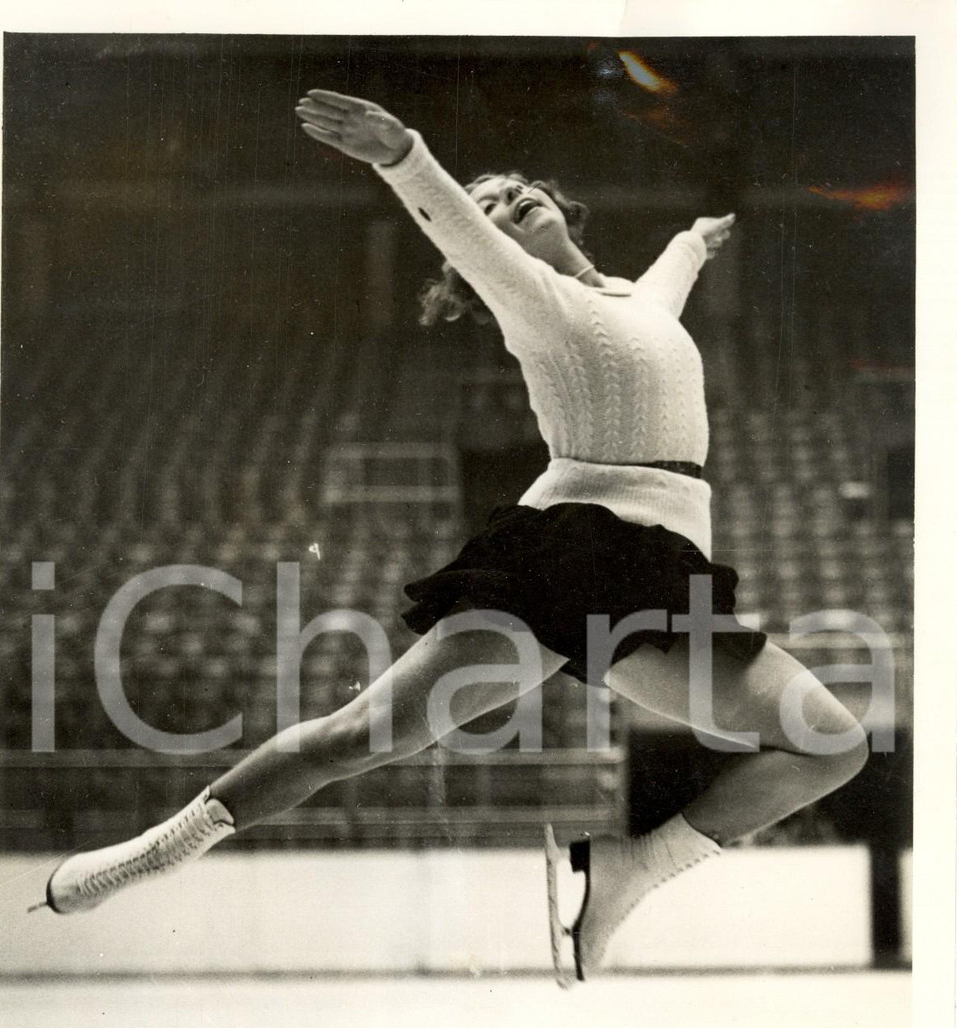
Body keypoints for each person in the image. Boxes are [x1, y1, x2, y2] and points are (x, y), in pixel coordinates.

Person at [43, 90, 870, 982]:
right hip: (570, 553)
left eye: (520, 189)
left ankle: (626, 869)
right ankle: (146, 854)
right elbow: (458, 227)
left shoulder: (636, 303)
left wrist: (695, 240)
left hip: (661, 568)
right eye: (491, 207)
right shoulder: (535, 301)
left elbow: (665, 283)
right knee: (359, 736)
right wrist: (402, 155)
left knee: (831, 742)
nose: (511, 200)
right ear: (486, 259)